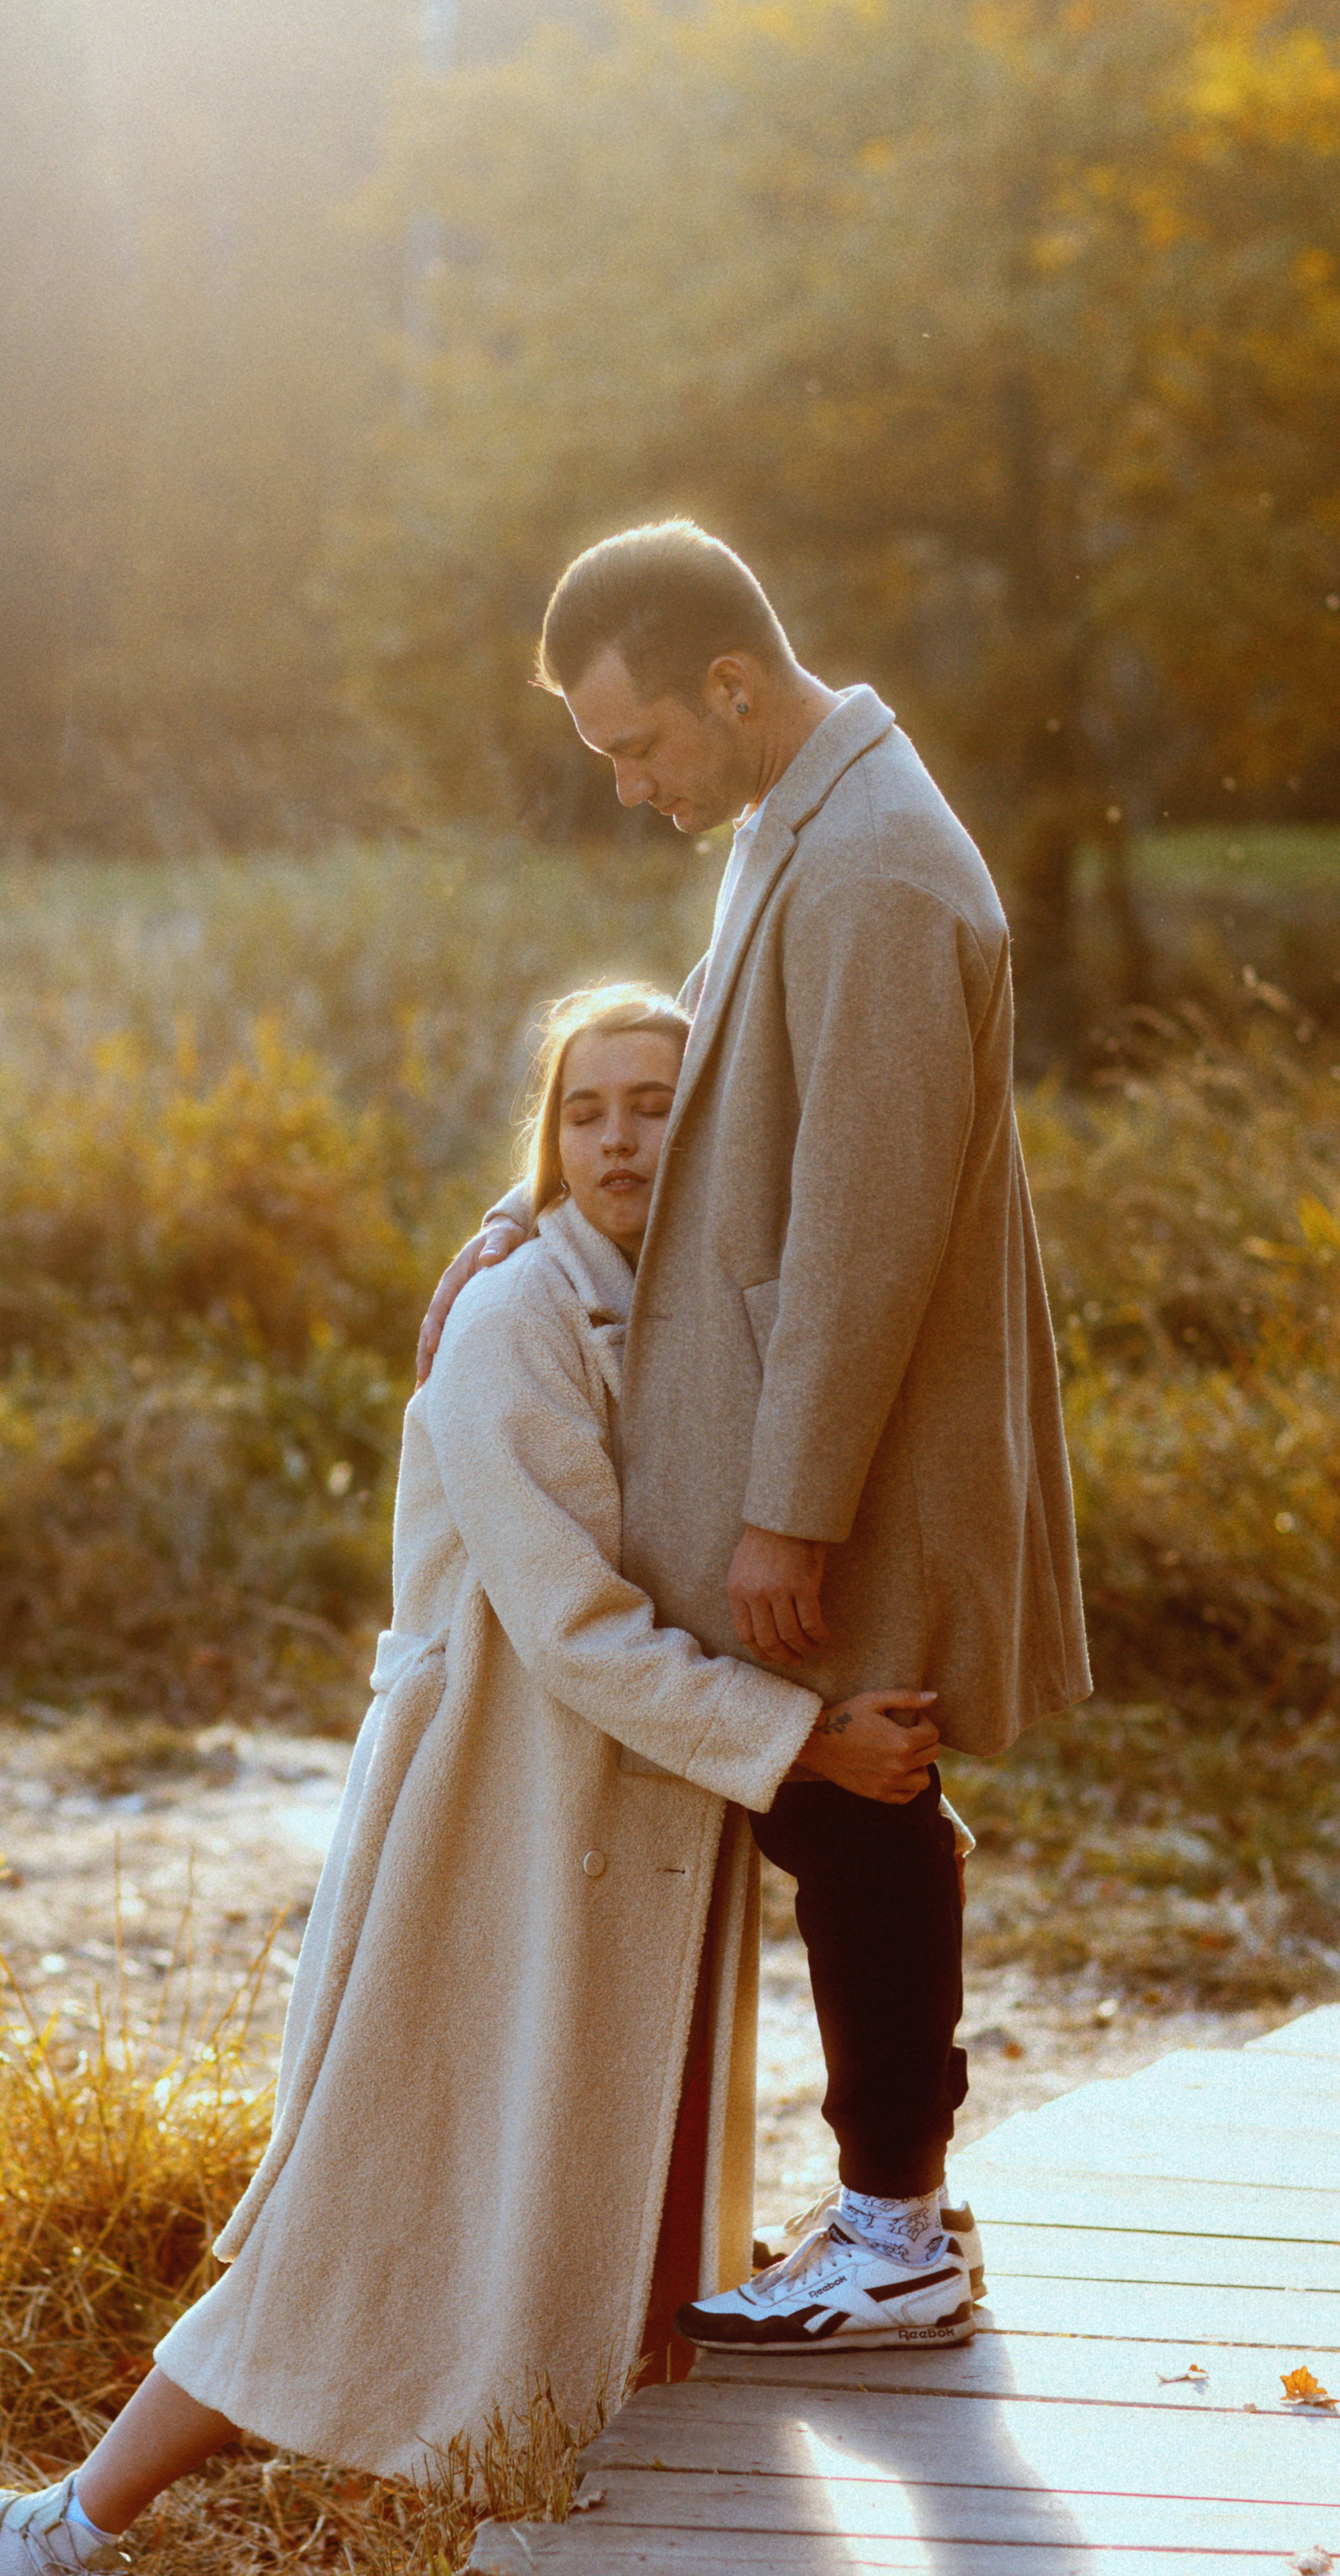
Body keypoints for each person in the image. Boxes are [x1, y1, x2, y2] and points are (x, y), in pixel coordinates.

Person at [0, 983, 944, 2576]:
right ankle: (56, 2528)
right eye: (588, 1109)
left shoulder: (689, 1307)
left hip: (627, 1825)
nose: (620, 1138)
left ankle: (577, 2574)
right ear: (546, 1137)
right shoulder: (513, 1320)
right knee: (357, 2209)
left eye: (655, 1105)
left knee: (609, 2213)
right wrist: (803, 1746)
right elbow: (567, 1624)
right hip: (490, 1825)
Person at [417, 520, 1090, 2355]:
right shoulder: (796, 822)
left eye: (639, 748)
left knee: (861, 1803)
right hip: (819, 1454)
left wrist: (784, 1516)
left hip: (850, 1465)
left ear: (729, 683)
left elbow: (858, 1236)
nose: (632, 790)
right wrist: (535, 1214)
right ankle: (896, 2206)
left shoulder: (867, 864)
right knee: (853, 1795)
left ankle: (896, 2232)